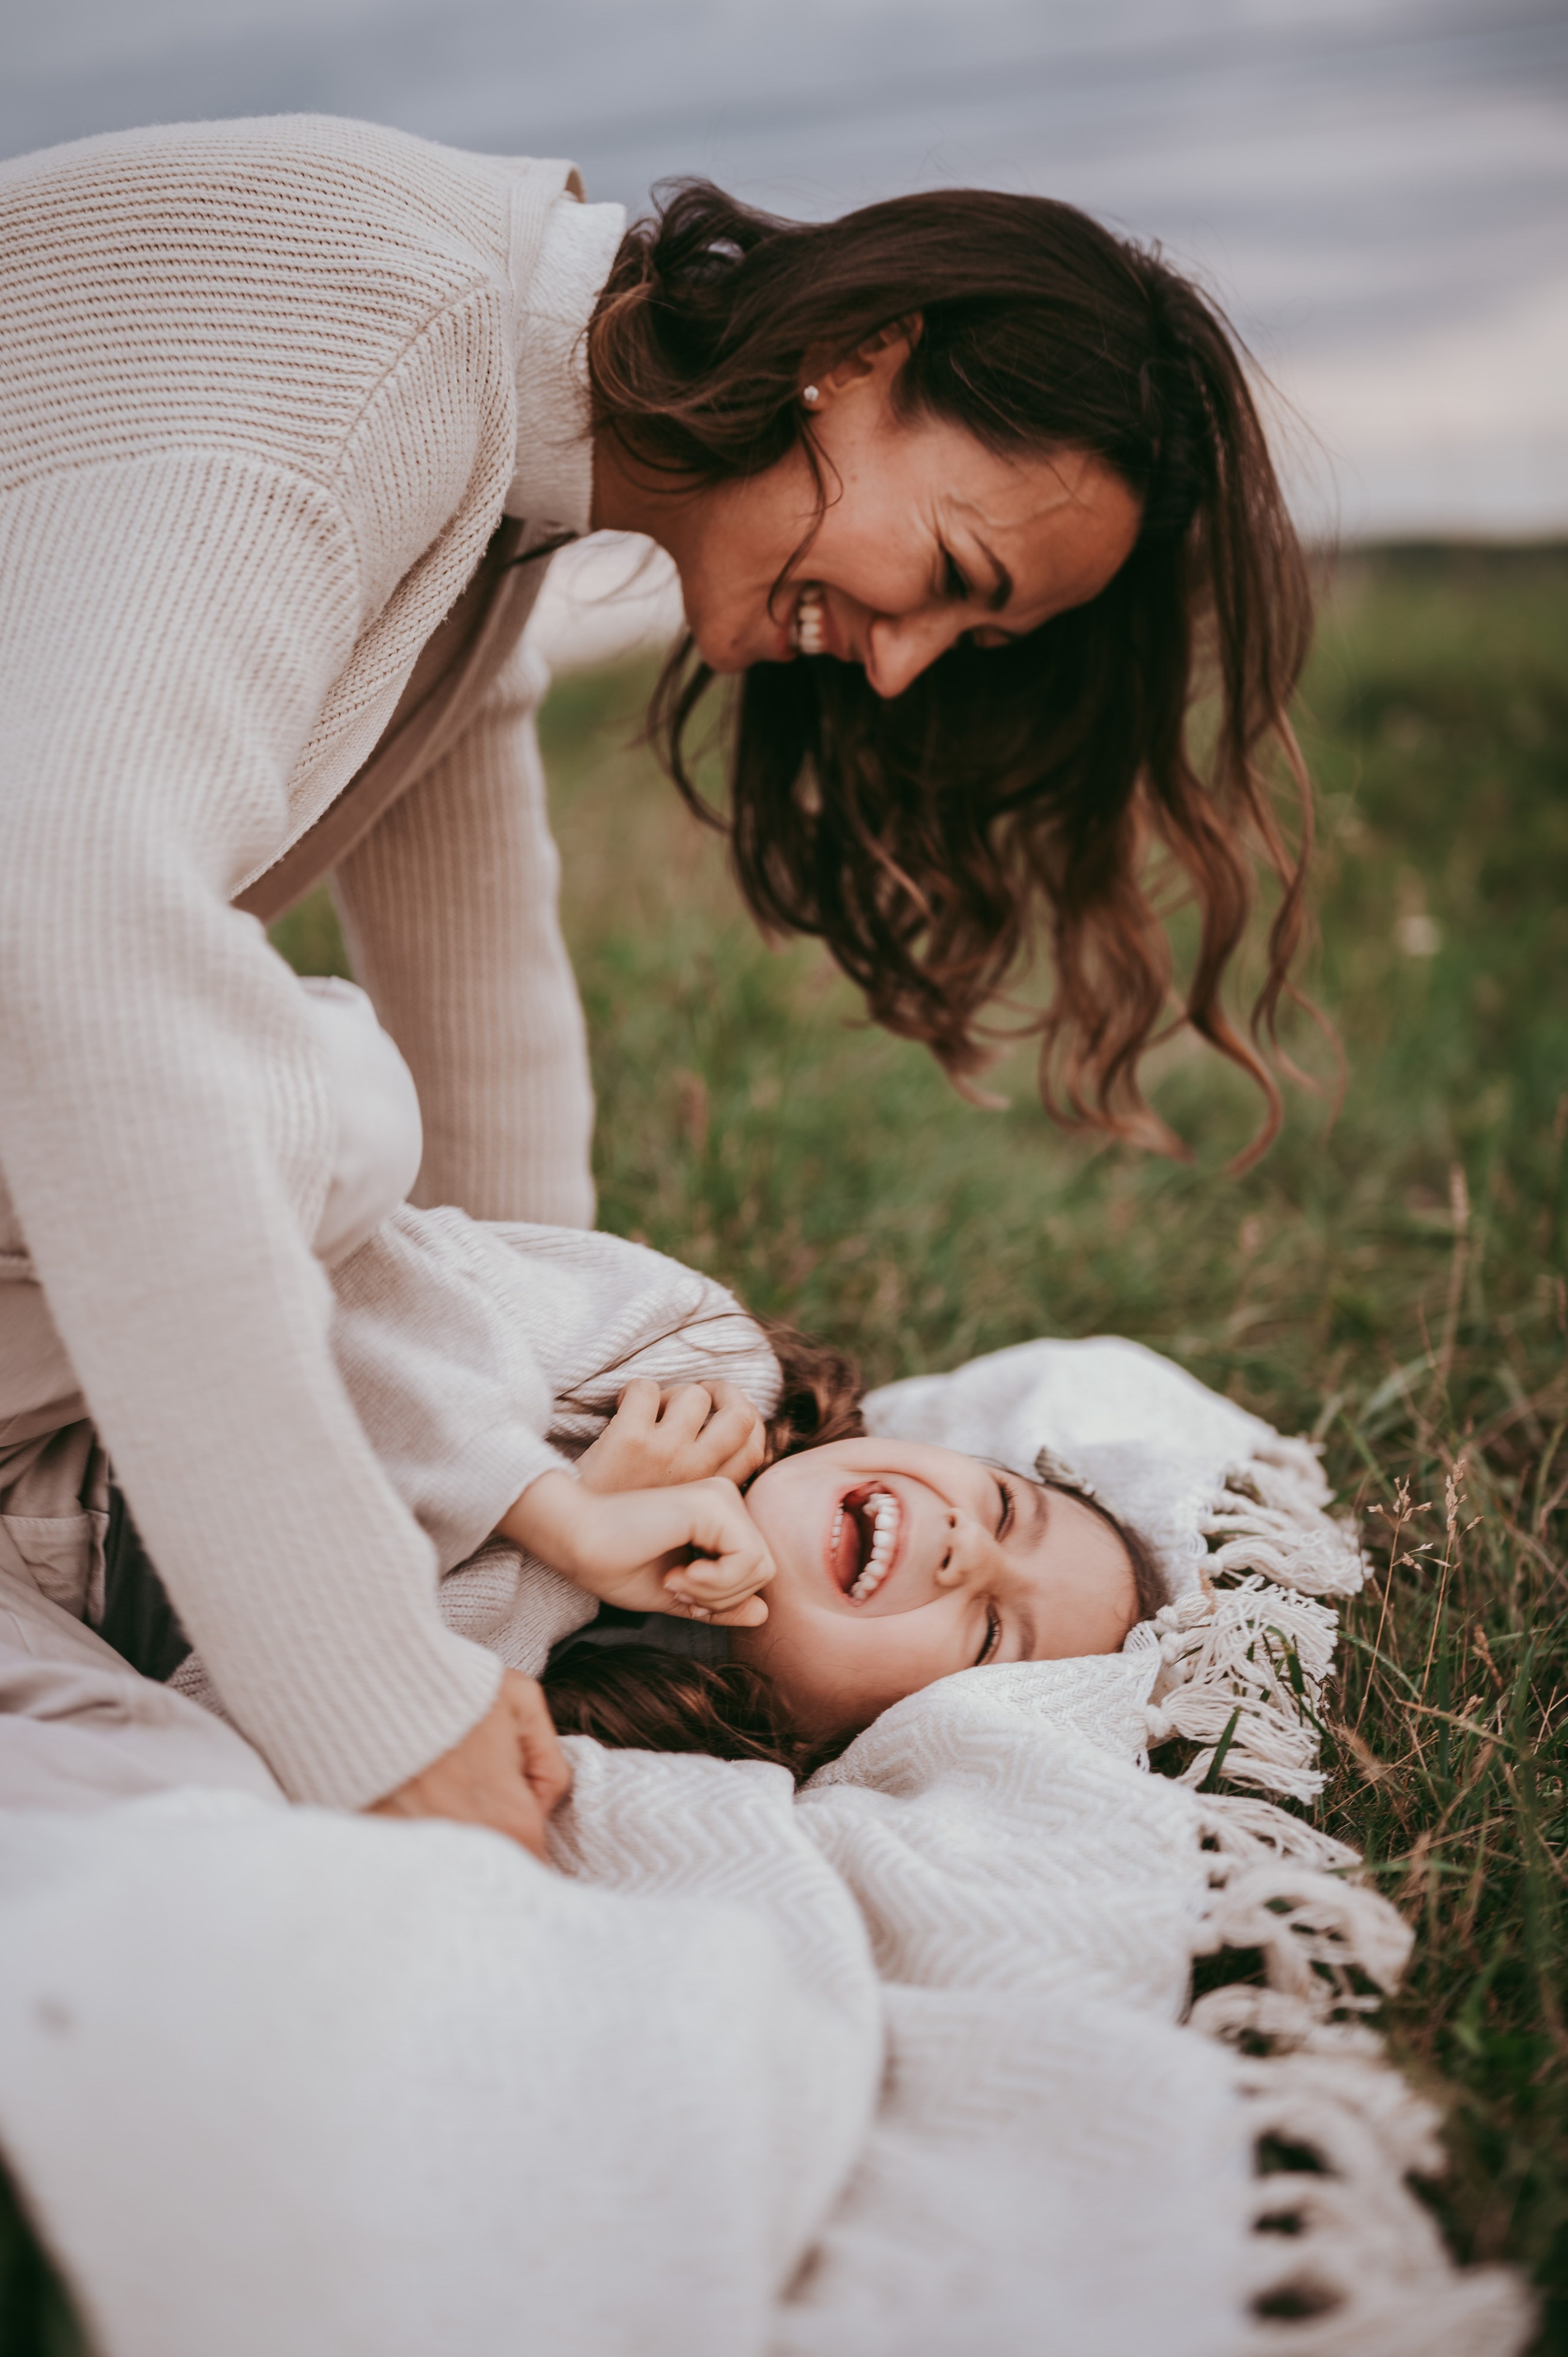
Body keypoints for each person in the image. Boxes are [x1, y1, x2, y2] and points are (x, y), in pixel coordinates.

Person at [0, 114, 1305, 1842]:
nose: (904, 670)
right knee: (296, 1088)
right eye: (954, 581)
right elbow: (65, 933)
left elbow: (483, 1027)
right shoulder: (388, 348)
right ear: (862, 355)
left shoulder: (490, 485)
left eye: (971, 644)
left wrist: (548, 1413)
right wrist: (373, 1699)